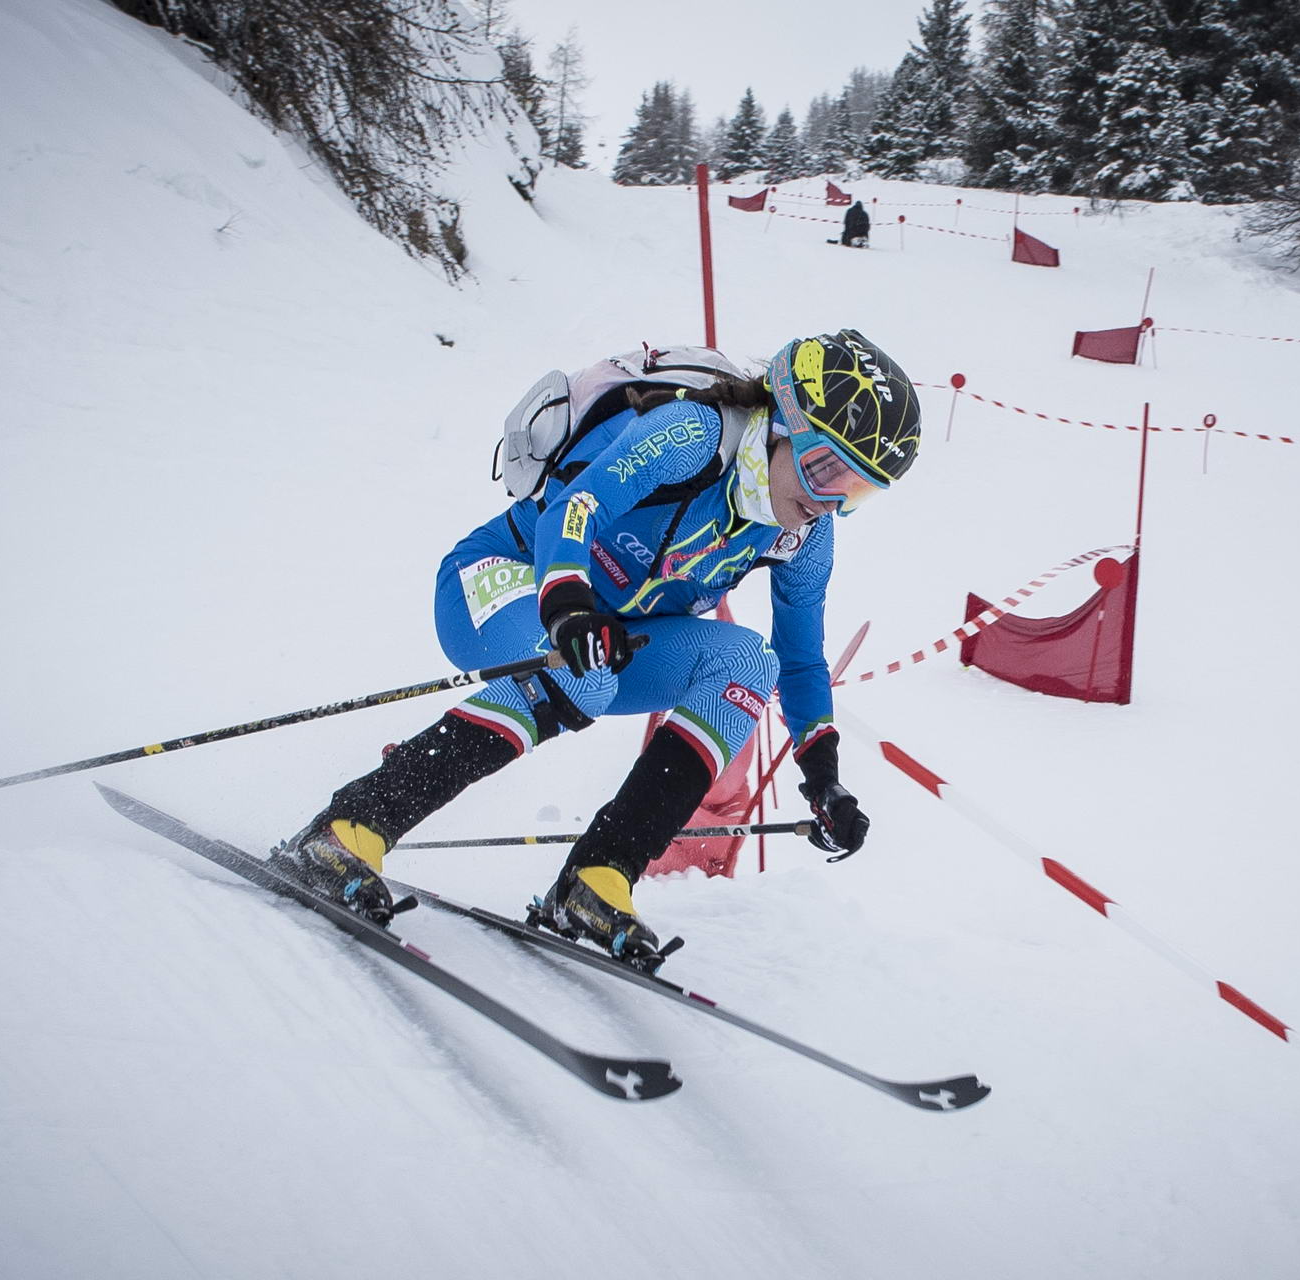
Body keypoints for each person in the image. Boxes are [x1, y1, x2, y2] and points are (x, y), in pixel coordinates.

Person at [279, 330, 923, 965]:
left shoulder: (805, 535)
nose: (826, 501)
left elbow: (802, 660)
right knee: (583, 675)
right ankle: (352, 825)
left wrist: (824, 778)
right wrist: (568, 607)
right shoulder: (694, 435)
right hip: (505, 580)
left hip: (604, 633)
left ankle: (599, 875)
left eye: (856, 491)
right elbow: (574, 507)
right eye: (823, 469)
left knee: (747, 664)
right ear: (781, 421)